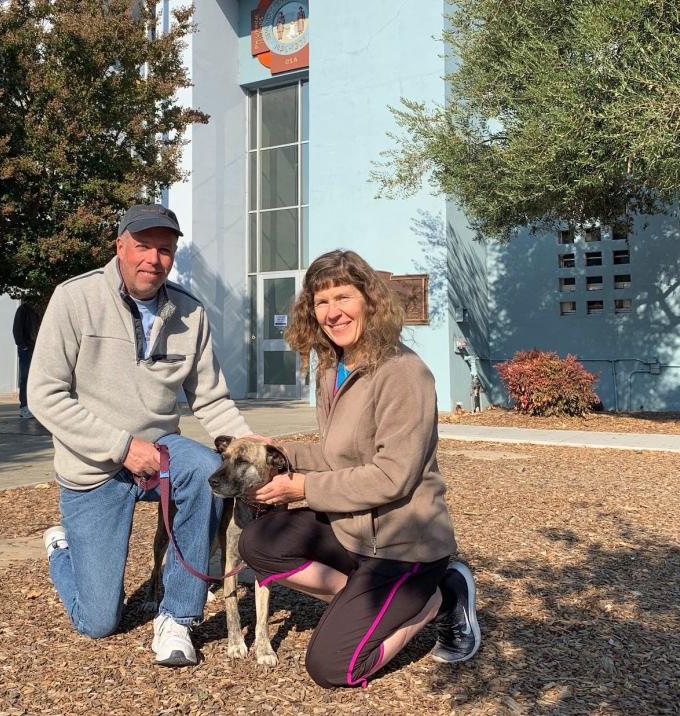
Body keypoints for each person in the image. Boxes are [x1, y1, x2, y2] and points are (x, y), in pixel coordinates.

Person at [239, 250, 481, 688]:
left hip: (403, 545)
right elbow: (338, 457)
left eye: (343, 297)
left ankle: (438, 597)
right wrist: (278, 453)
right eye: (321, 301)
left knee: (333, 667)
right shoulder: (332, 366)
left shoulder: (404, 374)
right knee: (258, 542)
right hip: (351, 531)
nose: (332, 313)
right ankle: (369, 601)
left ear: (370, 300)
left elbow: (393, 475)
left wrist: (303, 488)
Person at [28, 204, 253, 667]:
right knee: (98, 622)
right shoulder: (75, 298)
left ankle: (178, 617)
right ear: (120, 247)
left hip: (160, 451)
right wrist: (122, 447)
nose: (154, 258)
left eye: (165, 249)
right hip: (92, 465)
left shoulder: (190, 313)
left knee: (207, 471)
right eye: (143, 246)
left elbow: (211, 400)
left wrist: (253, 452)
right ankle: (60, 547)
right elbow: (44, 395)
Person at [12, 301, 41, 419]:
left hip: (36, 348)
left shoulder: (38, 310)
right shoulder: (23, 310)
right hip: (27, 349)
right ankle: (24, 407)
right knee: (25, 377)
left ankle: (33, 407)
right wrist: (22, 345)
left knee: (35, 378)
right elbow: (16, 329)